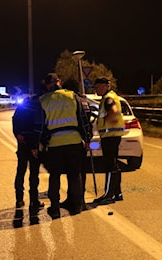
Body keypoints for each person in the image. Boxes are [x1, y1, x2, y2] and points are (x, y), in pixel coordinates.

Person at [39, 73, 90, 219]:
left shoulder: (44, 100)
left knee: (54, 175)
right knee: (74, 174)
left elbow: (41, 125)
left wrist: (42, 143)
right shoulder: (73, 96)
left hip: (54, 144)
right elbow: (82, 119)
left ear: (48, 85)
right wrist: (87, 139)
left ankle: (55, 208)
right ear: (59, 82)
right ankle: (75, 206)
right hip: (73, 141)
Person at [60, 79, 94, 211]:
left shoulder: (72, 101)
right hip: (81, 141)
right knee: (80, 171)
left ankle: (75, 201)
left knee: (73, 172)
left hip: (74, 140)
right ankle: (79, 199)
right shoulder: (84, 101)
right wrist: (87, 139)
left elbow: (81, 121)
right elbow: (87, 122)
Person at [92, 77, 125, 205]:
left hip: (110, 136)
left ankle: (108, 195)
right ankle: (117, 193)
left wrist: (107, 121)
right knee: (114, 165)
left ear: (105, 86)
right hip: (113, 136)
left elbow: (114, 112)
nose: (96, 90)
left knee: (109, 166)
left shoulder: (108, 98)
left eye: (98, 87)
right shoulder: (112, 96)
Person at [12, 86, 46, 211]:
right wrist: (35, 146)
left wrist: (17, 134)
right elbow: (38, 128)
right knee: (34, 173)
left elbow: (14, 121)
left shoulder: (20, 108)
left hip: (22, 144)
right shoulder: (37, 108)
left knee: (21, 171)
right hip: (32, 143)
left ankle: (19, 199)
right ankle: (34, 200)